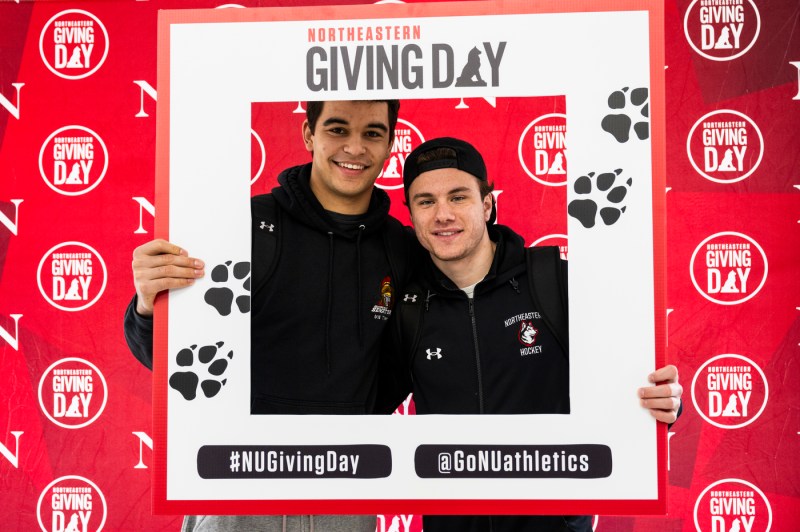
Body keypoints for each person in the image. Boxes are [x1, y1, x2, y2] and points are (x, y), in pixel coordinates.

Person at [124, 100, 413, 532]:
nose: (355, 147)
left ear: (391, 143)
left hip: (344, 481)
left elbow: (405, 362)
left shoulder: (401, 248)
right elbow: (173, 363)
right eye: (337, 129)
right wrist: (150, 304)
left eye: (373, 133)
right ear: (308, 134)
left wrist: (352, 417)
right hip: (235, 479)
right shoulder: (238, 226)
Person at [396, 137, 682, 532]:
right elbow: (358, 399)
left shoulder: (555, 284)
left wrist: (663, 401)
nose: (442, 214)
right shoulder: (406, 306)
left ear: (487, 204)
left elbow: (635, 388)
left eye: (458, 197)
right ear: (410, 215)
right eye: (425, 201)